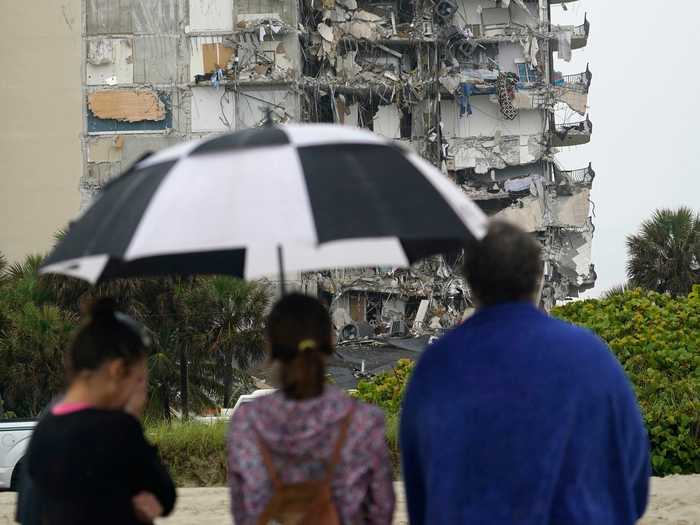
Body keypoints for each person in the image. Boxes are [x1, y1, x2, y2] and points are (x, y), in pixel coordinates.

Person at [400, 221, 650, 525]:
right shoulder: (592, 356)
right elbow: (634, 485)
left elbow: (419, 494)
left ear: (471, 285)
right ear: (538, 279)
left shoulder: (434, 367)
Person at [228, 293, 395, 525]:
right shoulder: (363, 421)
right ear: (331, 339)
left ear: (271, 345)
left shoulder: (247, 423)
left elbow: (242, 512)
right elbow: (381, 510)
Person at [25, 298, 176, 525]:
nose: (140, 390)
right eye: (138, 379)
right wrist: (132, 417)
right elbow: (165, 495)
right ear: (117, 370)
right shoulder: (118, 429)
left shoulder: (45, 427)